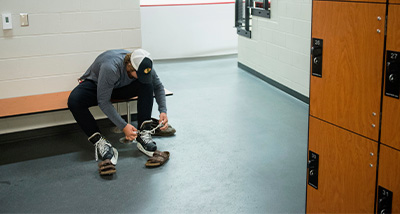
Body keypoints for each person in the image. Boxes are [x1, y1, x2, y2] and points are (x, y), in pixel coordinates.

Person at [68, 49, 169, 174]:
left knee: (147, 84)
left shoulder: (144, 65)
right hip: (98, 84)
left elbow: (158, 87)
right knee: (74, 101)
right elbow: (103, 101)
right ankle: (100, 142)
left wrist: (163, 111)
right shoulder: (110, 67)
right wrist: (123, 126)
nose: (144, 76)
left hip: (120, 87)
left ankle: (144, 133)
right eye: (139, 74)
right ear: (130, 66)